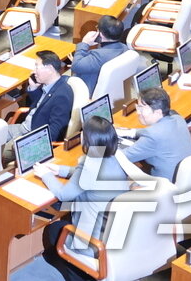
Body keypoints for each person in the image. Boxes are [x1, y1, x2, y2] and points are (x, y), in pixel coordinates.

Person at [35, 115, 133, 281]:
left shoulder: (89, 165)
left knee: (53, 229)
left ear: (87, 140)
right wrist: (61, 171)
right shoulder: (116, 158)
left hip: (90, 243)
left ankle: (78, 273)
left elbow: (63, 194)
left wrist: (45, 175)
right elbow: (89, 178)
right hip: (114, 236)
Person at [124, 87, 191, 180]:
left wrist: (101, 147)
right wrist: (130, 132)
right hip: (189, 178)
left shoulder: (153, 136)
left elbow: (123, 158)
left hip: (168, 187)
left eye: (141, 109)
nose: (138, 112)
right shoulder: (178, 119)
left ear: (157, 112)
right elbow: (153, 133)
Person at [9, 51, 73, 142]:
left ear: (50, 69)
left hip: (30, 136)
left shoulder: (61, 96)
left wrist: (26, 141)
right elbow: (42, 106)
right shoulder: (50, 85)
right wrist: (33, 88)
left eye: (37, 67)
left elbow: (54, 132)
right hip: (23, 128)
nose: (33, 71)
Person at [69, 17, 129, 95]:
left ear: (100, 34)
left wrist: (85, 43)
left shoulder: (99, 56)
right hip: (112, 89)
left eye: (97, 28)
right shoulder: (125, 48)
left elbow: (76, 66)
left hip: (87, 90)